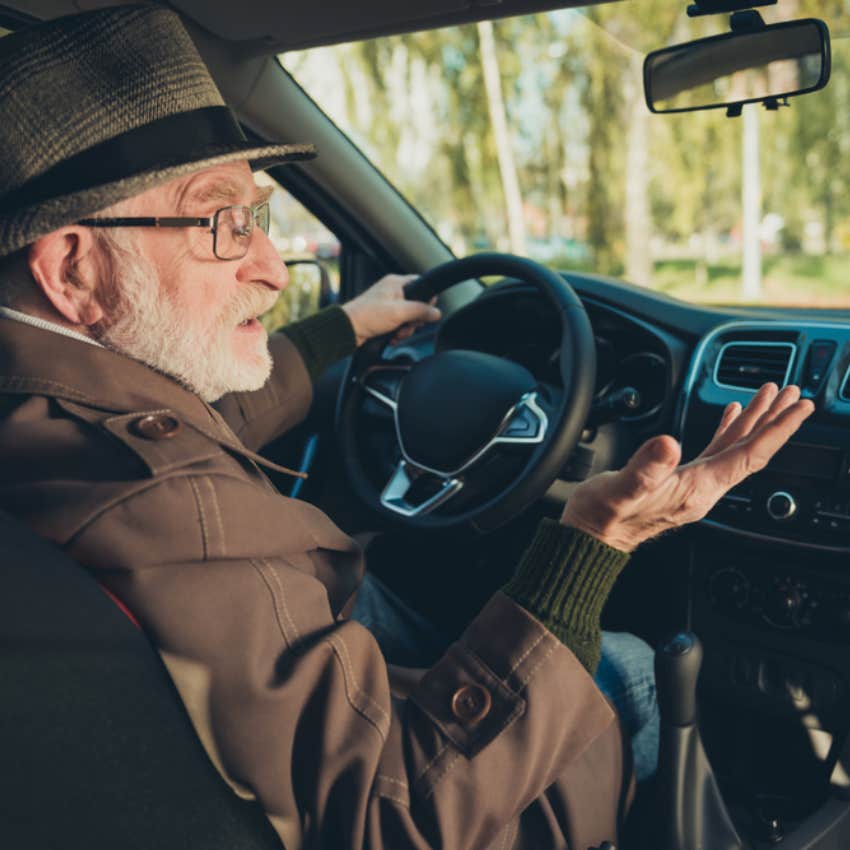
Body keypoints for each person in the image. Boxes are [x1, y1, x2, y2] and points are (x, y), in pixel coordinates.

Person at [0, 6, 815, 850]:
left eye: (260, 216)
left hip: (314, 689)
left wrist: (346, 328)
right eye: (222, 223)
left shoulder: (52, 413)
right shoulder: (161, 508)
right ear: (73, 268)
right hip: (455, 797)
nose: (274, 270)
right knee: (635, 668)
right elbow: (396, 818)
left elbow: (204, 416)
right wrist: (594, 539)